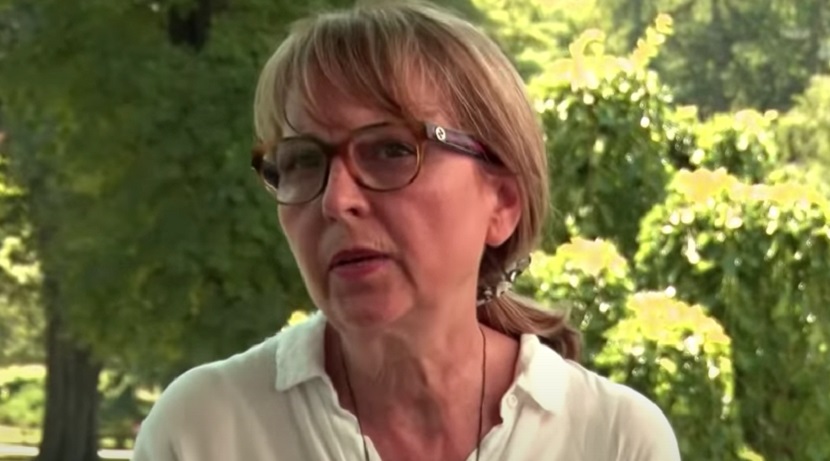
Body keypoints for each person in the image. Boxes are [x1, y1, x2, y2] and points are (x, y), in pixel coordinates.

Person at [131, 1, 681, 460]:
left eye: (391, 150)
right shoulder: (205, 431)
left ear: (503, 203)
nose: (336, 201)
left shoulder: (614, 440)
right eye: (301, 161)